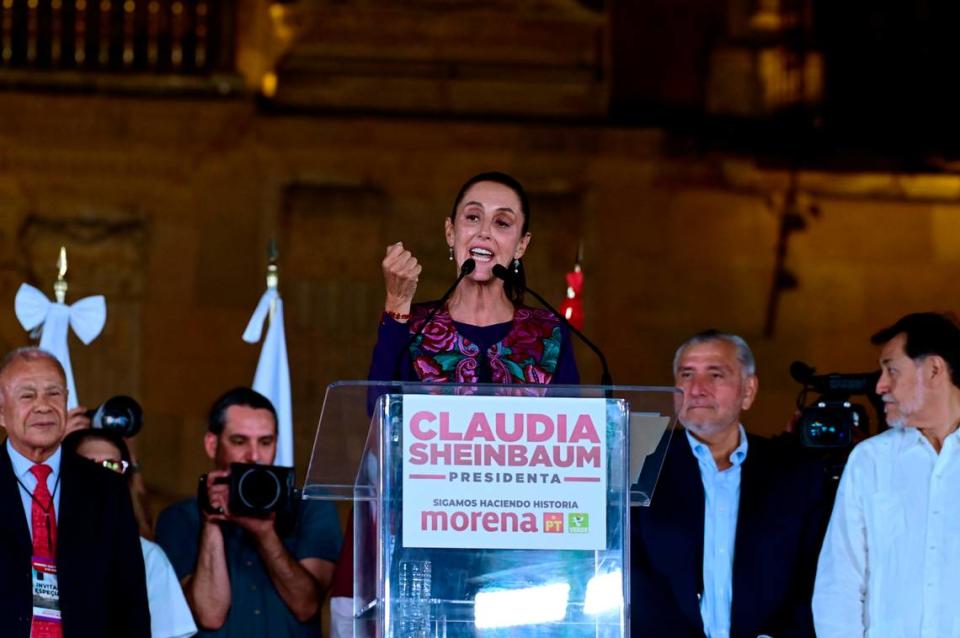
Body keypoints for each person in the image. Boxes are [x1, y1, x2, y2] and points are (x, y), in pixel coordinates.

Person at [630, 330, 828, 638]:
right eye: (686, 374)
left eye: (715, 375)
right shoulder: (641, 466)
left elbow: (815, 577)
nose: (697, 389)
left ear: (748, 391)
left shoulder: (795, 473)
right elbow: (632, 578)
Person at [813, 312, 960, 637]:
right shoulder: (870, 461)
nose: (879, 386)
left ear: (934, 369)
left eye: (891, 370)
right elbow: (839, 584)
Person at [155, 387, 342, 637]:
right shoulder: (180, 518)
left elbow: (306, 606)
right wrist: (211, 521)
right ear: (212, 445)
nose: (254, 456)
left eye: (265, 442)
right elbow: (209, 614)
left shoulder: (311, 508)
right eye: (239, 441)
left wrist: (265, 534)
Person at [369, 171, 579, 384]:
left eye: (502, 222)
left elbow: (573, 416)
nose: (484, 232)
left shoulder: (549, 331)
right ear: (450, 233)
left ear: (521, 245)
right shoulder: (414, 325)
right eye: (473, 217)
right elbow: (377, 406)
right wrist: (398, 301)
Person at [0, 346, 150, 637]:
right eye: (28, 395)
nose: (43, 406)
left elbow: (129, 601)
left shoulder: (106, 488)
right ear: (1, 411)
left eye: (54, 394)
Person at [62, 428, 197, 638]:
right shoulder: (37, 542)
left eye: (112, 465)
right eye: (88, 465)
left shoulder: (148, 555)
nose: (101, 475)